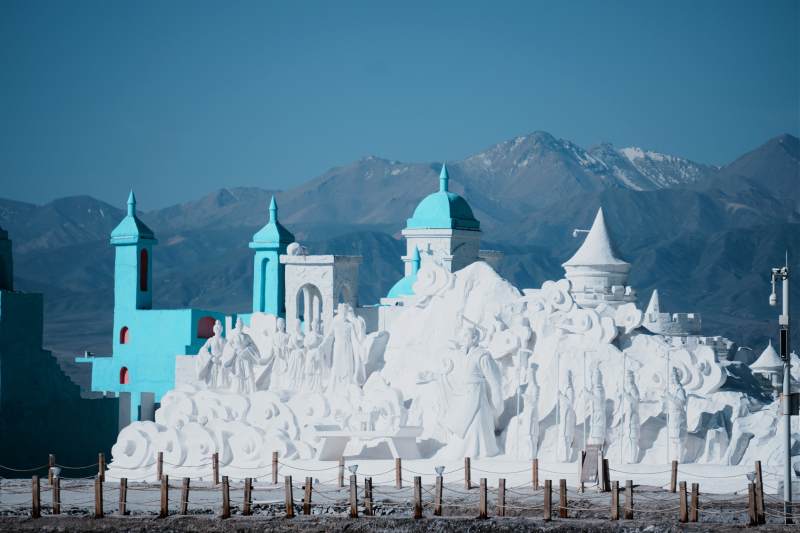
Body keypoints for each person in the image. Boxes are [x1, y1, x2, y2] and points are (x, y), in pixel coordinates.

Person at [436, 323, 504, 458]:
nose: (462, 339)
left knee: (476, 425)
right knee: (461, 425)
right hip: (463, 395)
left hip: (478, 396)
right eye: (462, 336)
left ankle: (481, 452)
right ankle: (460, 452)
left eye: (466, 336)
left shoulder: (482, 355)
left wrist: (497, 398)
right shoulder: (461, 355)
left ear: (475, 338)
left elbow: (494, 379)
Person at [196, 320, 226, 388]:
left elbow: (228, 350)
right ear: (214, 330)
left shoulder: (225, 340)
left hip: (221, 362)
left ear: (222, 329)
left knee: (221, 380)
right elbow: (203, 349)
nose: (218, 330)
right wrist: (211, 357)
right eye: (216, 328)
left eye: (219, 328)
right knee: (211, 379)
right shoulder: (211, 340)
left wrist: (222, 358)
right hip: (213, 362)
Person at [557, 370, 576, 462]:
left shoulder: (570, 389)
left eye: (567, 377)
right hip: (564, 417)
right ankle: (563, 457)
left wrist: (561, 396)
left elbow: (570, 402)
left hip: (568, 417)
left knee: (566, 438)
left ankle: (566, 457)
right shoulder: (566, 389)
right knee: (563, 438)